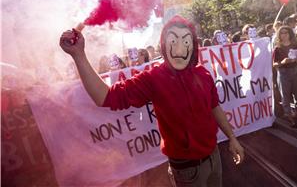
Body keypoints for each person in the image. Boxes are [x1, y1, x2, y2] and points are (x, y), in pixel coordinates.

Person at [59, 15, 245, 186]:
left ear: (193, 45)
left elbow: (214, 107)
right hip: (188, 171)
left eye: (186, 41)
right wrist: (79, 55)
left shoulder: (202, 73)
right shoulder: (154, 78)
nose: (179, 48)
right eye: (173, 40)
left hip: (214, 157)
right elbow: (105, 97)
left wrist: (232, 138)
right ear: (164, 45)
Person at [273, 26, 297, 128]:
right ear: (279, 35)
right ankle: (290, 117)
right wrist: (283, 62)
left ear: (290, 33)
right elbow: (274, 64)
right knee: (285, 97)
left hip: (296, 71)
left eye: (286, 32)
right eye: (282, 33)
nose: (284, 35)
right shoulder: (277, 48)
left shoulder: (296, 45)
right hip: (283, 72)